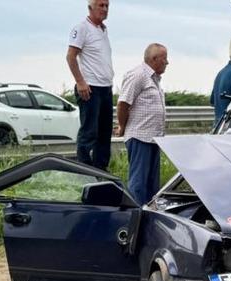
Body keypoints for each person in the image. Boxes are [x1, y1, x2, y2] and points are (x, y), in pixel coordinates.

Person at [116, 43, 168, 205]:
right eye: (164, 58)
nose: (167, 62)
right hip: (140, 137)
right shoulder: (138, 75)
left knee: (152, 185)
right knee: (138, 183)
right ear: (154, 59)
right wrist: (122, 126)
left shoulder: (154, 79)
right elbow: (123, 103)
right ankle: (136, 213)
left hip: (153, 138)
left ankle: (149, 214)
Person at [66, 0, 114, 171]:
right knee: (89, 132)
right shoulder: (82, 28)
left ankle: (101, 170)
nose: (105, 9)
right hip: (90, 87)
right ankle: (84, 170)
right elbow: (71, 56)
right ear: (90, 7)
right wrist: (80, 81)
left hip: (106, 87)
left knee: (104, 133)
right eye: (101, 5)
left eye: (107, 6)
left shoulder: (103, 30)